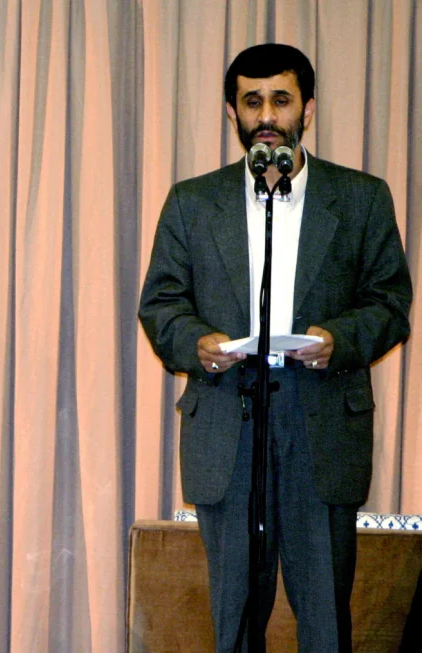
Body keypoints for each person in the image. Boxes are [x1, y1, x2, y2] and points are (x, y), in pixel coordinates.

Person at [139, 43, 412, 652]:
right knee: (233, 622)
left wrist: (338, 341)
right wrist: (197, 343)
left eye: (281, 100)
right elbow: (160, 304)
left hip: (321, 431)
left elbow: (391, 303)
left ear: (307, 111)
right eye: (251, 100)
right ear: (232, 113)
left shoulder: (362, 197)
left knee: (324, 623)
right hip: (227, 430)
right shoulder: (192, 201)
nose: (267, 113)